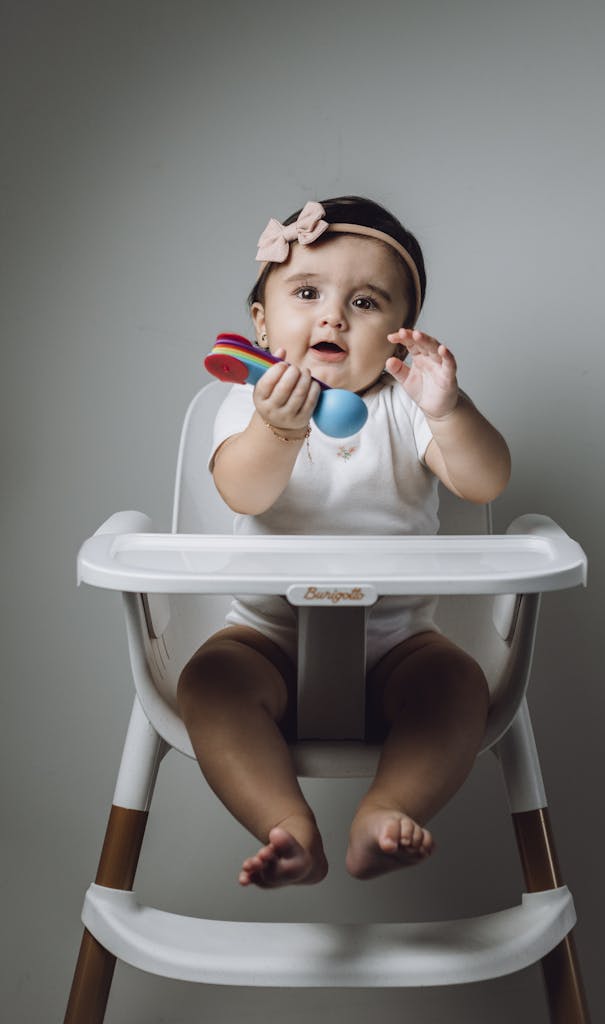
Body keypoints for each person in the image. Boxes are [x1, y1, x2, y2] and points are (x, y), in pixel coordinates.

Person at [177, 196, 511, 888]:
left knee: (456, 685)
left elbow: (484, 481)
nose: (332, 316)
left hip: (397, 646)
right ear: (263, 325)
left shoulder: (407, 411)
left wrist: (448, 410)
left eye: (364, 303)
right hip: (267, 638)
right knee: (208, 683)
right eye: (307, 293)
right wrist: (278, 429)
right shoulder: (247, 403)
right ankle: (286, 825)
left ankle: (386, 810)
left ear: (399, 334)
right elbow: (245, 492)